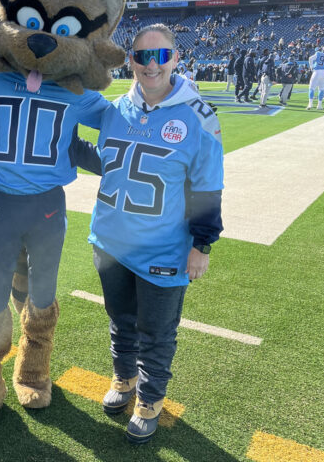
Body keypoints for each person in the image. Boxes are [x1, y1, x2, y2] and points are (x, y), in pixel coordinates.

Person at [75, 24, 224, 445]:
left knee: (156, 333)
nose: (150, 65)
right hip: (110, 242)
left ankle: (150, 398)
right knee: (120, 320)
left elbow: (208, 186)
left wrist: (201, 244)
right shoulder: (116, 109)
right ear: (131, 61)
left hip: (163, 248)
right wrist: (63, 139)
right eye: (142, 56)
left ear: (175, 58)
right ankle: (124, 378)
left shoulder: (198, 115)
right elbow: (108, 161)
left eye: (159, 56)